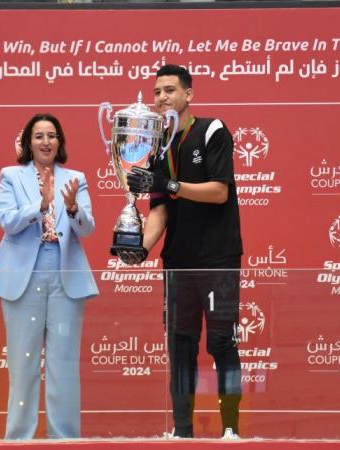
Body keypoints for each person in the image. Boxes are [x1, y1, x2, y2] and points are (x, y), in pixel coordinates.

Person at [122, 64, 243, 439]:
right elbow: (159, 210)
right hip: (177, 262)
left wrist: (171, 183)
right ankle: (183, 431)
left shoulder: (212, 130)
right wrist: (140, 249)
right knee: (180, 346)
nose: (162, 98)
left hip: (218, 259)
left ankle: (230, 430)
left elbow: (218, 191)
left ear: (188, 94)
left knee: (222, 341)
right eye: (157, 92)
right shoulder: (156, 147)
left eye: (170, 90)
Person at [0, 113, 98, 439]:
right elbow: (6, 220)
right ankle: (18, 439)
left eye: (51, 135)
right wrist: (40, 205)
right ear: (28, 143)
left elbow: (87, 228)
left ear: (59, 142)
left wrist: (72, 208)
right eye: (38, 136)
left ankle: (65, 439)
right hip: (24, 274)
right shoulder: (11, 176)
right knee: (22, 364)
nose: (45, 142)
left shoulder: (76, 178)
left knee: (63, 365)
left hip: (64, 272)